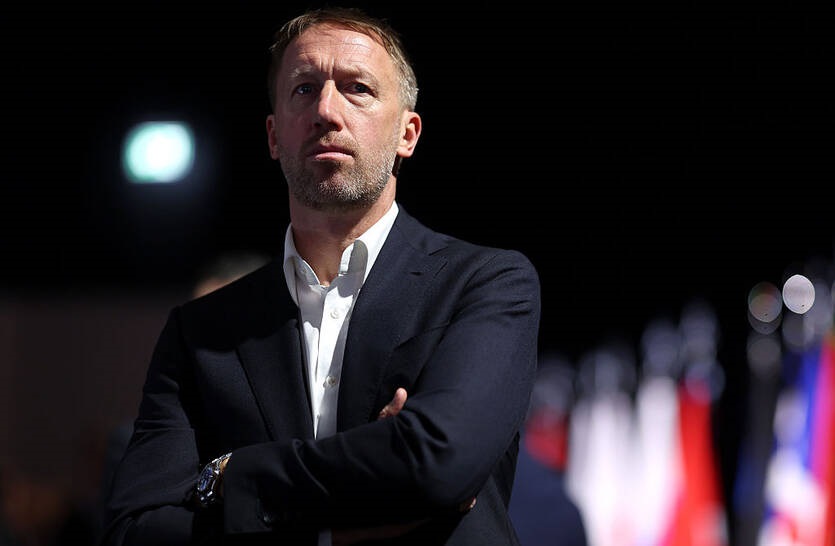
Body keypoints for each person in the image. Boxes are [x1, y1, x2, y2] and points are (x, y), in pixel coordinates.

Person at [100, 6, 541, 545]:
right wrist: (362, 497)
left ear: (407, 134)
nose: (326, 111)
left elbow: (437, 463)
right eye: (304, 89)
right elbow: (135, 531)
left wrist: (232, 475)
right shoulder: (201, 333)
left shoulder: (486, 285)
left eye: (357, 89)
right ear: (273, 135)